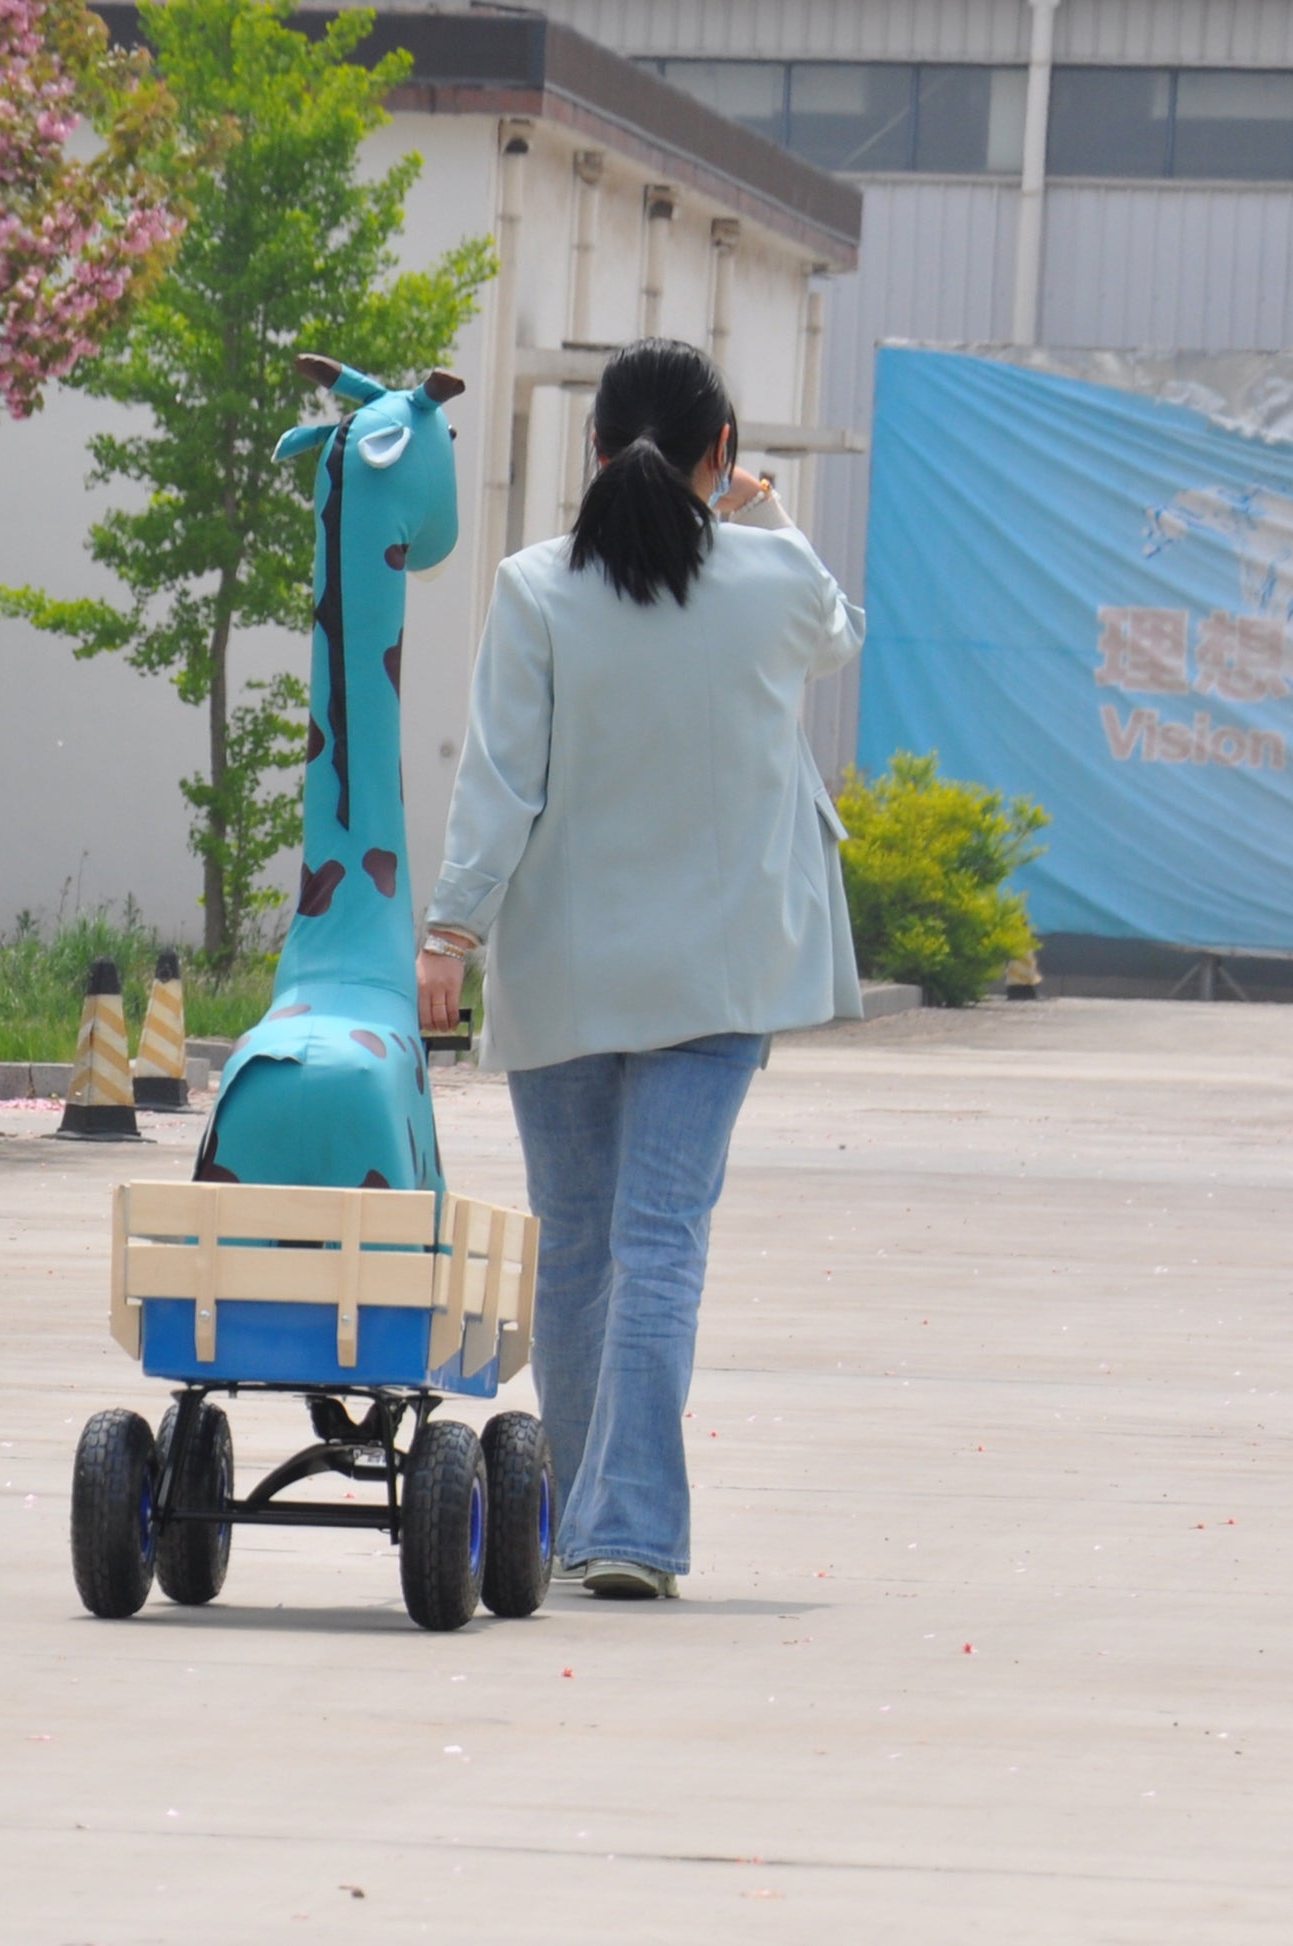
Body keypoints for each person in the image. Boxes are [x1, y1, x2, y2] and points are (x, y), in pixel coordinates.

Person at [416, 338, 864, 1600]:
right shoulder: (771, 576)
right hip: (718, 979)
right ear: (718, 457)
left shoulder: (534, 587)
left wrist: (450, 934)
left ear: (594, 450)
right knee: (659, 1237)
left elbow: (499, 782)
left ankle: (562, 1518)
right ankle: (629, 1531)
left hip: (562, 970)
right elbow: (839, 634)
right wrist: (762, 509)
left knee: (573, 1246)